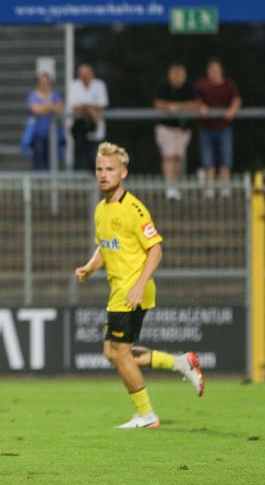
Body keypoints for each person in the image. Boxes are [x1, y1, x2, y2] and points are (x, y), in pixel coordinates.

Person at [74, 142, 205, 429]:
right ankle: (181, 363)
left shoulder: (134, 209)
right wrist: (89, 266)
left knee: (118, 353)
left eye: (110, 169)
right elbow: (105, 248)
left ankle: (147, 415)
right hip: (120, 289)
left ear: (123, 173)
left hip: (132, 290)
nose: (103, 174)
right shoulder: (101, 209)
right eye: (99, 169)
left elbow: (156, 250)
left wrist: (138, 285)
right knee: (113, 353)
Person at [153, 63, 200, 200]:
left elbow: (196, 103)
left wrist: (180, 107)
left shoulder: (189, 88)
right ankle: (170, 187)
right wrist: (169, 107)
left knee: (178, 158)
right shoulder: (163, 87)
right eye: (175, 74)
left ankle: (175, 186)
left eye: (180, 74)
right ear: (170, 75)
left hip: (182, 129)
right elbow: (157, 103)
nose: (177, 77)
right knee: (169, 157)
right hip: (166, 128)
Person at [196, 58, 241, 197]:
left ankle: (225, 188)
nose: (214, 73)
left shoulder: (229, 85)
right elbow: (194, 99)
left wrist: (232, 110)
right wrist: (200, 106)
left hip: (224, 128)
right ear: (207, 72)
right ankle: (209, 189)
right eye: (211, 70)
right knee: (208, 161)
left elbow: (237, 99)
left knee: (225, 160)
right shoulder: (202, 84)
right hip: (207, 128)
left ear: (221, 71)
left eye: (216, 70)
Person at [69, 64, 109, 171]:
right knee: (82, 159)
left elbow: (102, 104)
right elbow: (74, 106)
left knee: (96, 159)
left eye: (86, 74)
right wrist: (91, 109)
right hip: (80, 130)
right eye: (82, 74)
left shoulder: (99, 85)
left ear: (92, 74)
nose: (84, 77)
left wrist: (84, 107)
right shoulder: (74, 85)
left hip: (96, 128)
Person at [25, 73, 64, 171]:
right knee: (39, 163)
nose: (44, 85)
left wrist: (44, 106)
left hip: (54, 136)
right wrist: (50, 107)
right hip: (38, 135)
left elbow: (59, 109)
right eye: (42, 83)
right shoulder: (33, 95)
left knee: (53, 163)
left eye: (47, 83)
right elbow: (36, 110)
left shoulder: (55, 95)